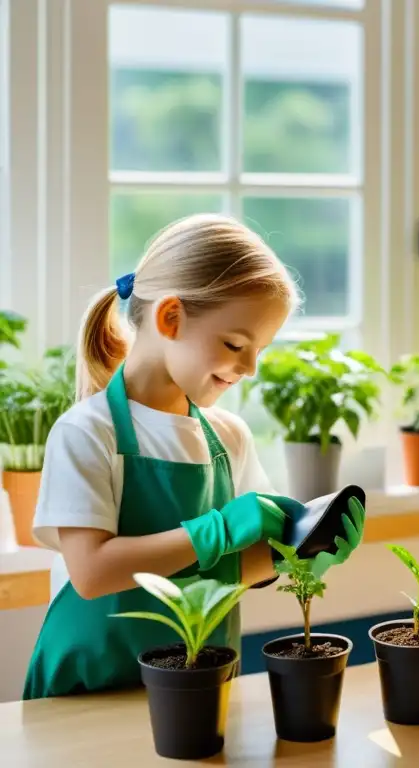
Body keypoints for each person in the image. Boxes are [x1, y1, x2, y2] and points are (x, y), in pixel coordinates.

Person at [22, 214, 327, 699]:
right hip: (88, 695)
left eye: (260, 351)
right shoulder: (87, 431)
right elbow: (92, 572)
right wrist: (215, 530)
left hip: (196, 690)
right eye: (235, 344)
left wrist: (298, 550)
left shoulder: (229, 436)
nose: (249, 367)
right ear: (170, 318)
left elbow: (229, 569)